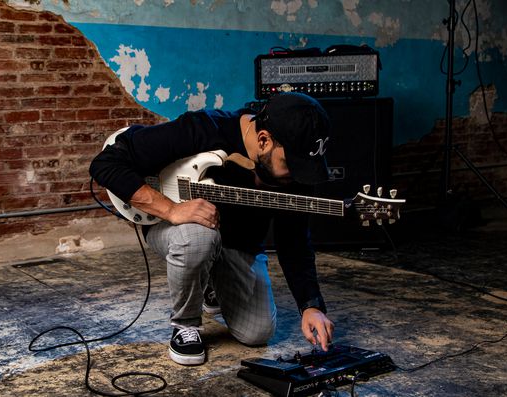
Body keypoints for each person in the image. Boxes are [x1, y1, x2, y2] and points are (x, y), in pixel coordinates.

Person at [89, 92, 335, 366]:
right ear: (263, 140)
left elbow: (295, 241)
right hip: (176, 229)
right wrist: (171, 209)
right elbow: (105, 164)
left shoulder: (297, 169)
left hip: (239, 242)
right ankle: (185, 325)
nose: (297, 176)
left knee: (258, 332)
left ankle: (211, 285)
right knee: (199, 235)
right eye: (290, 165)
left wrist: (310, 305)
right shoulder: (203, 128)